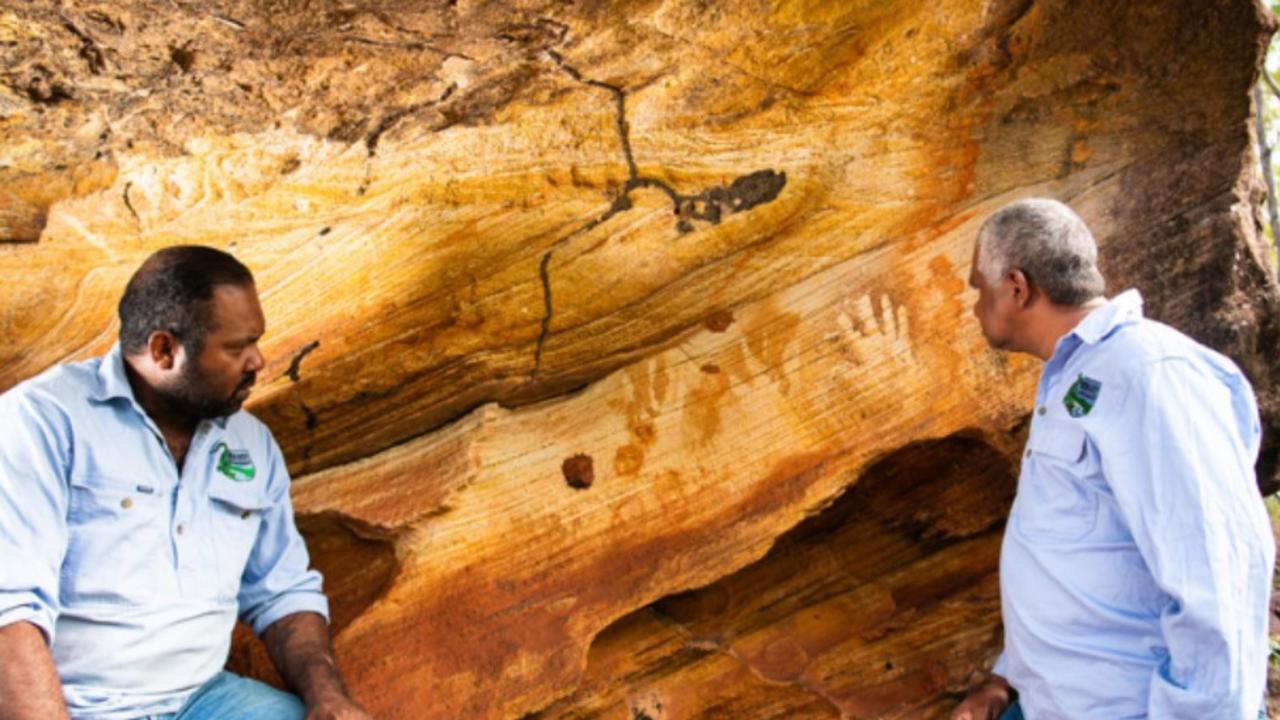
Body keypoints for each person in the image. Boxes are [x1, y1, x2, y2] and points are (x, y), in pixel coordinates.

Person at [0, 247, 370, 719]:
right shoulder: (42, 424)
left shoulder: (251, 445)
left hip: (204, 700)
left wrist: (328, 697)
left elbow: (283, 591)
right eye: (237, 348)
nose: (258, 361)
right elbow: (9, 613)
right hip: (77, 706)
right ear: (163, 350)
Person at [951, 199, 1275, 720]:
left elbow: (1217, 572)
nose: (974, 306)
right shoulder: (1076, 376)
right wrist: (1008, 679)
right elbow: (1081, 547)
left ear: (1016, 287)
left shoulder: (1150, 373)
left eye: (978, 288)